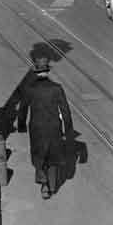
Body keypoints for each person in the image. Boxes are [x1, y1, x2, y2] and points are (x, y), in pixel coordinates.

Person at [18, 57, 73, 199]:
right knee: (53, 156)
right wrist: (68, 130)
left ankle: (44, 184)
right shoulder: (56, 88)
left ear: (36, 73)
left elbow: (22, 109)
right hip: (54, 127)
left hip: (37, 128)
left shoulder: (29, 89)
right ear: (48, 72)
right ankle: (53, 185)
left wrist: (21, 126)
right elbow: (65, 110)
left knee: (39, 155)